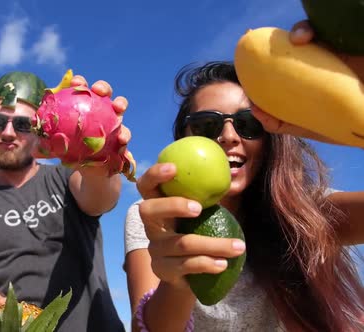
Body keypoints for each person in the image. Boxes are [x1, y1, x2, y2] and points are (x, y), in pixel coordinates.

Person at [124, 59, 364, 330]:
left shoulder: (305, 211)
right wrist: (177, 284)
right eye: (206, 125)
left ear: (273, 136)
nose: (228, 136)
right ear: (184, 138)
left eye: (248, 123)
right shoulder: (155, 218)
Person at [0, 67, 128, 331]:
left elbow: (102, 197)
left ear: (40, 128)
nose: (7, 132)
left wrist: (99, 152)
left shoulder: (64, 178)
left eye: (22, 124)